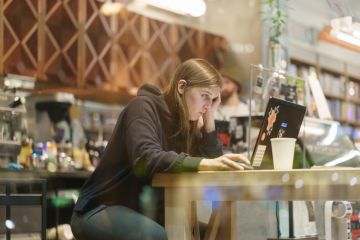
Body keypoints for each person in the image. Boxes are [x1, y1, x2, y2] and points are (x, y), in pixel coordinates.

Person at [70, 58, 250, 240]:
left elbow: (212, 165)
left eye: (213, 99)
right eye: (204, 96)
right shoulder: (142, 107)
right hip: (101, 207)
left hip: (144, 211)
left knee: (216, 233)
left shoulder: (186, 122)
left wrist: (210, 118)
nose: (207, 104)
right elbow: (146, 158)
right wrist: (204, 163)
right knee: (157, 237)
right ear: (181, 87)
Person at [215, 50, 249, 121]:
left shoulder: (243, 111)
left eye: (227, 82)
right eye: (220, 82)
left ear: (236, 86)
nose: (222, 86)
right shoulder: (213, 109)